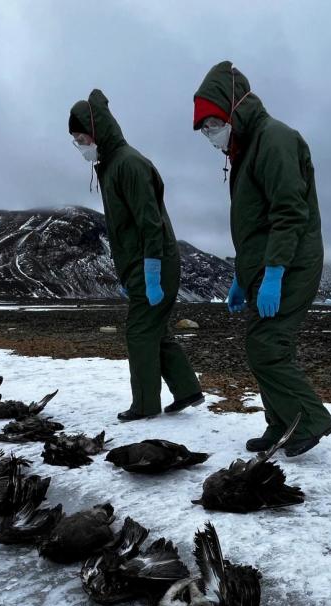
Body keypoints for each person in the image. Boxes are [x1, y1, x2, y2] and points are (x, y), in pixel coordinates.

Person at [192, 61, 331, 457]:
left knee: (266, 345)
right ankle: (282, 423)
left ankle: (309, 420)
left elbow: (288, 212)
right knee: (267, 346)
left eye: (212, 123)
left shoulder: (274, 139)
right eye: (203, 128)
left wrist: (274, 273)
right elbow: (253, 226)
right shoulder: (246, 148)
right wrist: (242, 277)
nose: (209, 134)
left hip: (291, 262)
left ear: (233, 110)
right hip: (266, 266)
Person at [69, 89, 204, 422]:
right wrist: (129, 274)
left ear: (97, 131)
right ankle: (187, 390)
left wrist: (152, 270)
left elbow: (149, 221)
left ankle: (145, 405)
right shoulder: (112, 165)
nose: (80, 145)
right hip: (141, 265)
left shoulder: (128, 164)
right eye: (76, 140)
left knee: (140, 331)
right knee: (154, 329)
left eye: (82, 137)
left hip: (153, 262)